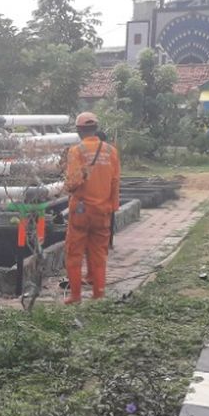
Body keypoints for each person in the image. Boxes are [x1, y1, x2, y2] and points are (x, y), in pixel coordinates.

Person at [63, 112, 120, 304]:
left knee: (74, 253)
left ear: (79, 131)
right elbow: (115, 181)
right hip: (103, 211)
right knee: (99, 254)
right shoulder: (111, 151)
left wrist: (65, 187)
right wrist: (112, 206)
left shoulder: (76, 151)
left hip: (81, 211)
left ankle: (76, 296)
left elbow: (73, 181)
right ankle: (98, 294)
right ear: (96, 129)